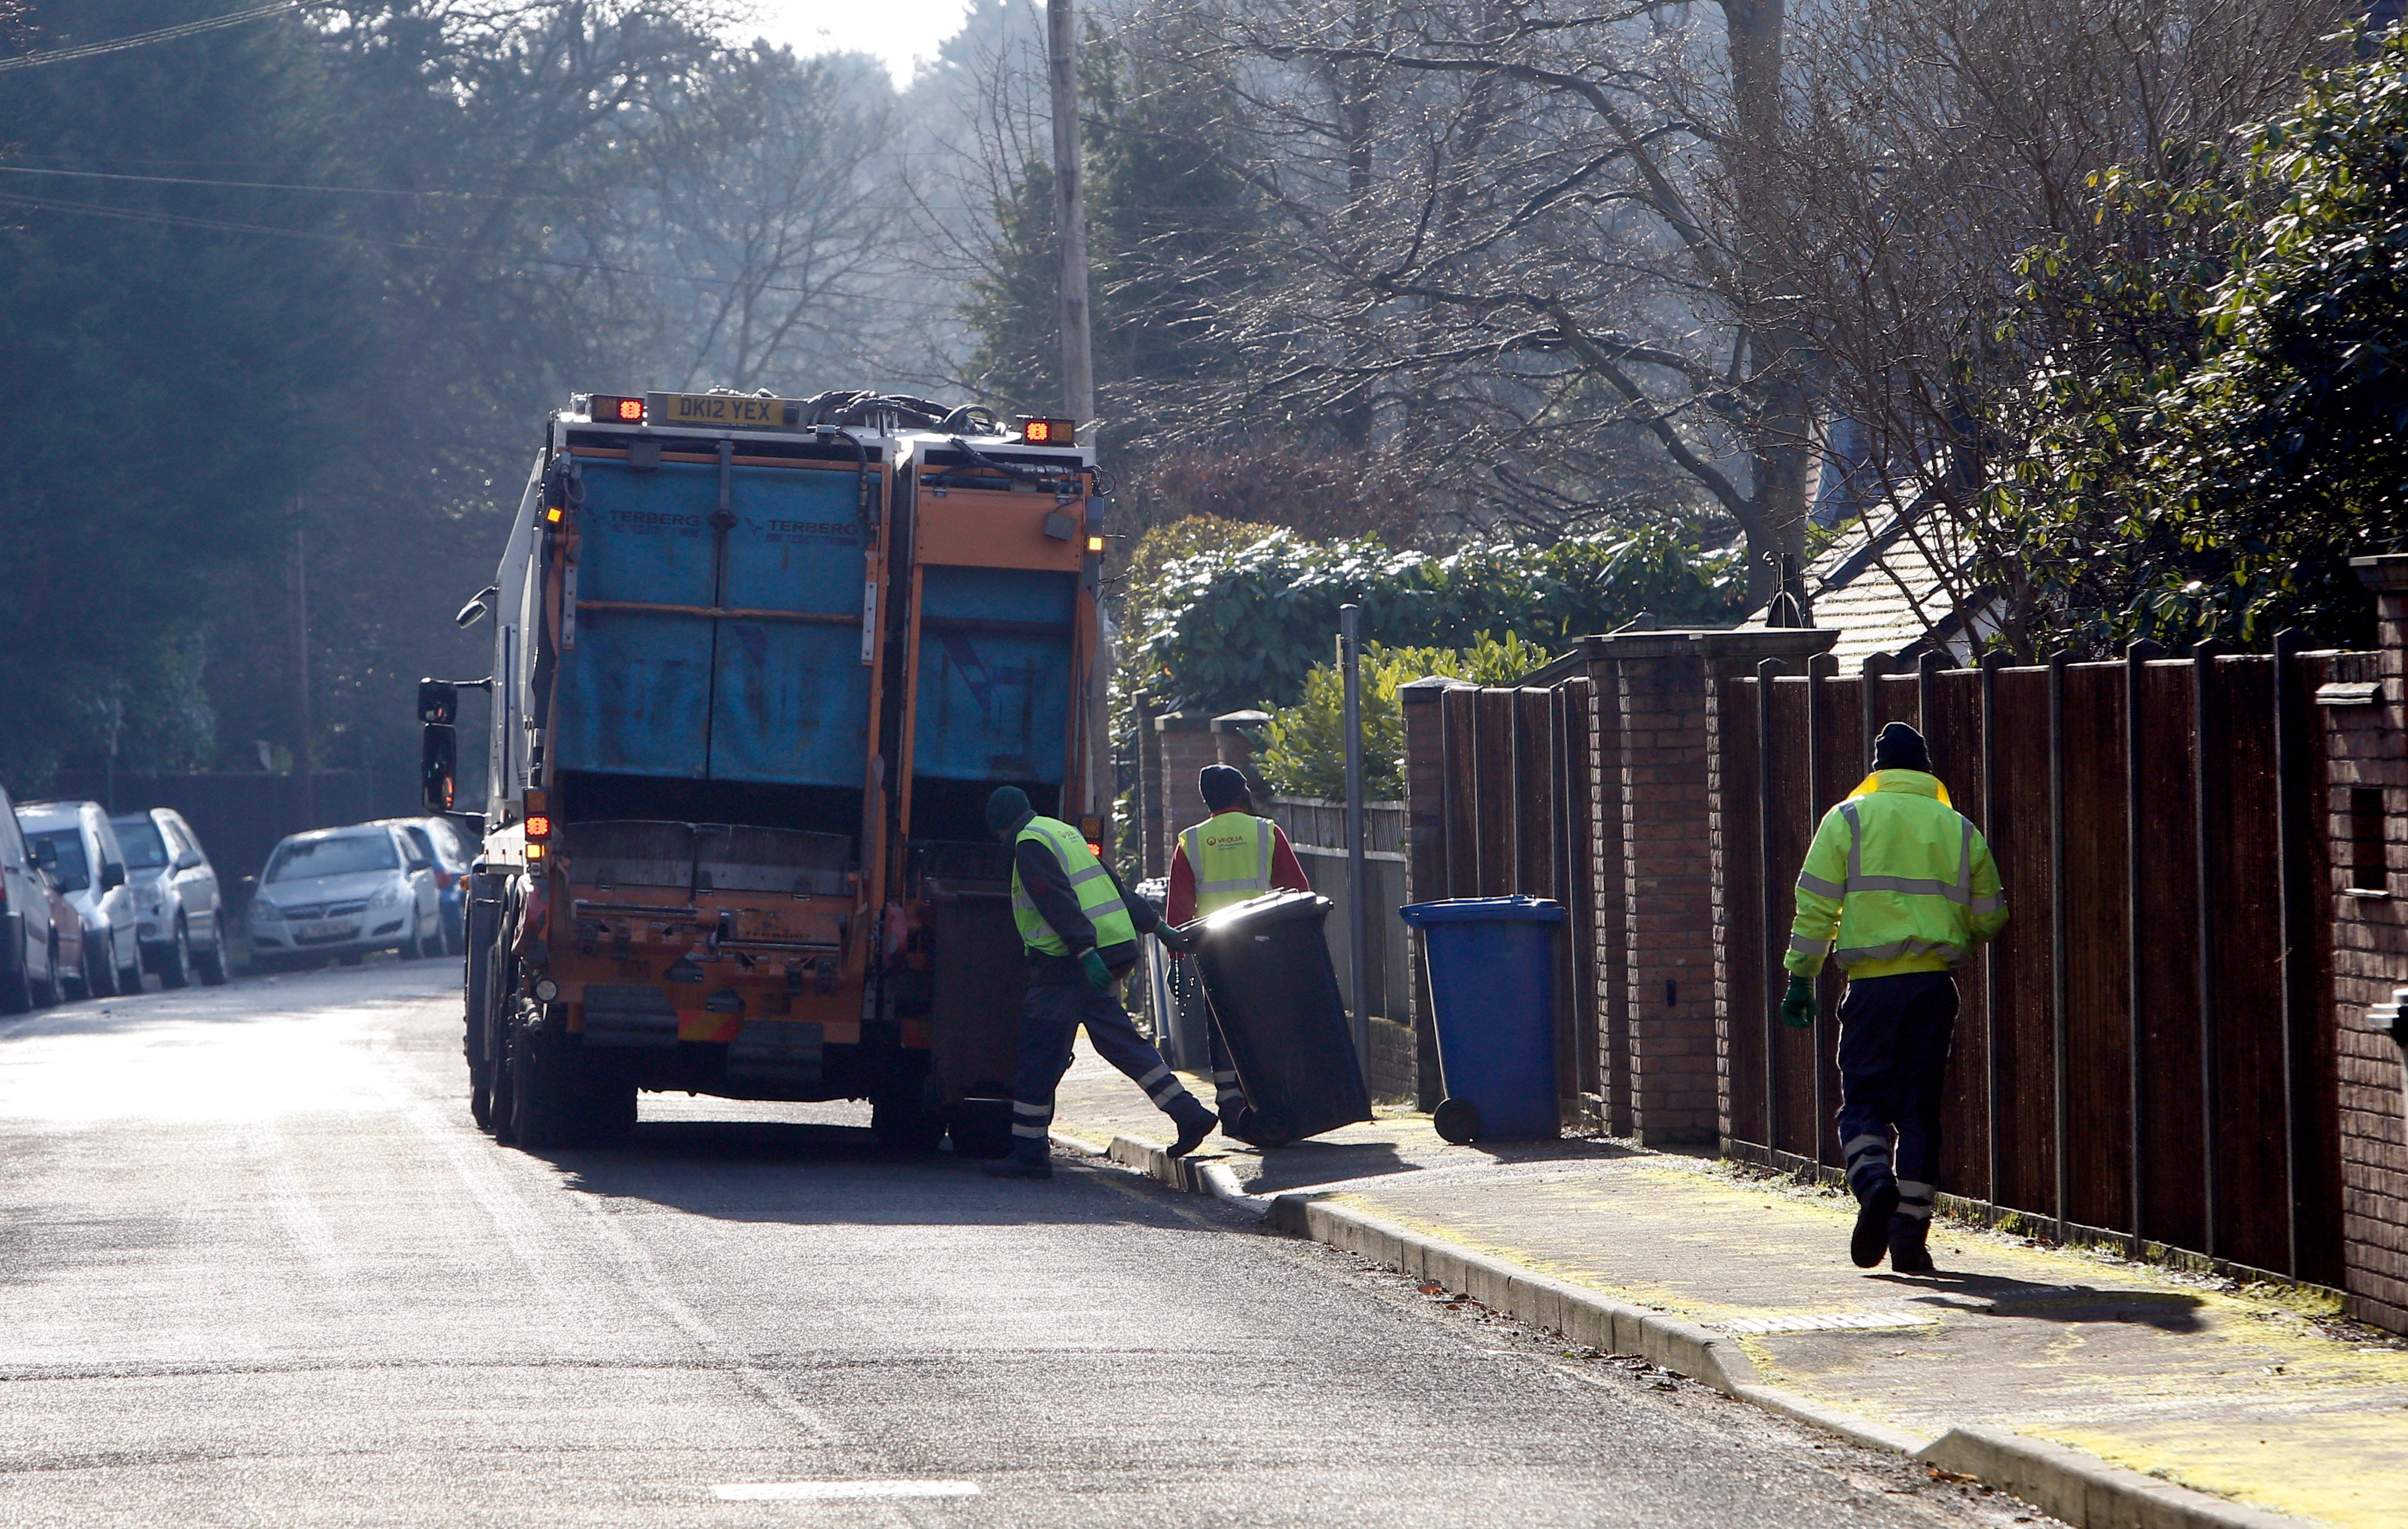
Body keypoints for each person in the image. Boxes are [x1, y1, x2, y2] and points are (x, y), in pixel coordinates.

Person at [1782, 721, 2008, 1273]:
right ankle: (1909, 1236)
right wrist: (1950, 935)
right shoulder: (1958, 827)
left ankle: (1873, 1183)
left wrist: (1801, 977)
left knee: (1861, 1100)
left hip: (1872, 988)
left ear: (1878, 772)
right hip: (1934, 986)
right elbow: (1992, 915)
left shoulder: (1848, 819)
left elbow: (1815, 907)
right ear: (1927, 771)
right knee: (1920, 1114)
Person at [982, 786, 1218, 1181]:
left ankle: (1028, 1153)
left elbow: (1055, 901)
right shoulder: (1064, 833)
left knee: (1039, 1053)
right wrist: (1158, 927)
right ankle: (1189, 1113)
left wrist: (1084, 952)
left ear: (999, 827)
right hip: (1112, 949)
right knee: (1121, 1042)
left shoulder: (1029, 844)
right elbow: (1113, 884)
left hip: (1067, 964)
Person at [1164, 764, 1311, 1124]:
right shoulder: (1266, 832)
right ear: (1242, 792)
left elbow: (1178, 910)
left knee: (1223, 1023)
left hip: (1216, 950)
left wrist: (1177, 959)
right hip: (1267, 946)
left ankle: (1231, 1105)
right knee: (1269, 1020)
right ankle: (1274, 1095)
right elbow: (1299, 890)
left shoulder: (1191, 841)